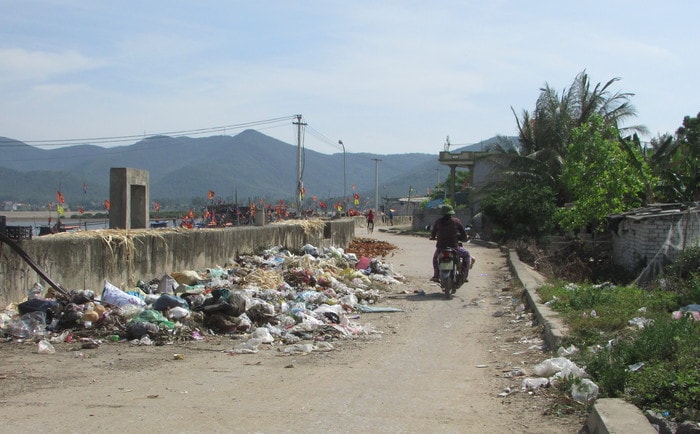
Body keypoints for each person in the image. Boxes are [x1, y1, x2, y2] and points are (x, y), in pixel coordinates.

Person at [429, 205, 472, 282]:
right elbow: (463, 234)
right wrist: (465, 238)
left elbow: (433, 234)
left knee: (435, 259)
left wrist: (432, 237)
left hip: (441, 248)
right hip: (454, 247)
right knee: (466, 255)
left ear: (442, 213)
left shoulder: (438, 222)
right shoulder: (456, 221)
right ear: (451, 213)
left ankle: (436, 275)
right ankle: (464, 275)